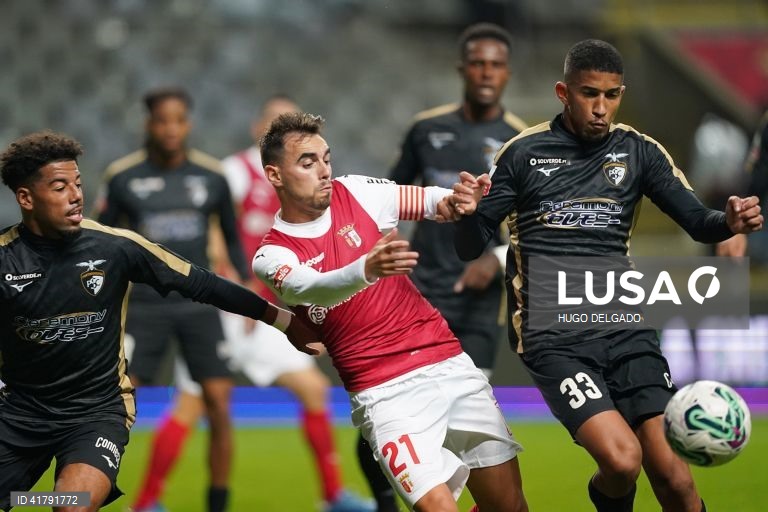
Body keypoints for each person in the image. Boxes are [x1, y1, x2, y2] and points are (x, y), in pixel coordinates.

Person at [454, 39, 763, 512]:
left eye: (612, 95)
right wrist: (468, 213)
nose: (601, 108)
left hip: (625, 327)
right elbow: (468, 245)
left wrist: (729, 221)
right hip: (553, 336)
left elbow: (698, 221)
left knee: (675, 477)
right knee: (622, 461)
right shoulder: (523, 154)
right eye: (589, 94)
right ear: (563, 92)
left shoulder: (639, 151)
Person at [0, 131, 317, 512]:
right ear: (25, 198)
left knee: (72, 505)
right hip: (19, 414)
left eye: (78, 184)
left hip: (95, 414)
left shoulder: (115, 247)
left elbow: (202, 283)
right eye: (59, 186)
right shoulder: (5, 260)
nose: (75, 195)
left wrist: (284, 321)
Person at [252, 111, 528, 512]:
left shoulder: (357, 191)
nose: (324, 171)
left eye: (327, 159)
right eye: (307, 163)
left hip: (448, 363)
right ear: (275, 175)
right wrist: (365, 269)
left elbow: (434, 202)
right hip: (383, 394)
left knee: (510, 506)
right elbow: (308, 288)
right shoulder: (272, 253)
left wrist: (459, 199)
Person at [133, 94, 375, 512]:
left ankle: (333, 494)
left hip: (269, 310)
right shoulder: (235, 171)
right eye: (275, 122)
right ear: (258, 131)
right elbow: (211, 228)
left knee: (314, 390)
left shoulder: (307, 179)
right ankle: (145, 501)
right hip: (231, 309)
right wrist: (235, 288)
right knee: (192, 406)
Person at [380, 23, 527, 512]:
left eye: (496, 64)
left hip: (477, 306)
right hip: (418, 298)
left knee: (467, 431)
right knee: (394, 428)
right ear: (462, 69)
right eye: (478, 63)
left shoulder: (520, 142)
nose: (487, 72)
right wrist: (385, 256)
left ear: (507, 73)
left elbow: (537, 231)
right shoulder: (426, 129)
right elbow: (384, 201)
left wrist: (499, 256)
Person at [93, 87, 251, 512]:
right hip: (143, 307)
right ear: (149, 124)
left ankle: (217, 503)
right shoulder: (123, 177)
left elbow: (234, 239)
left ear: (188, 123)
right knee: (117, 403)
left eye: (178, 120)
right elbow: (100, 243)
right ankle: (99, 492)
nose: (170, 128)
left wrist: (250, 286)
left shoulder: (211, 176)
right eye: (162, 120)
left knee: (218, 402)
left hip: (198, 305)